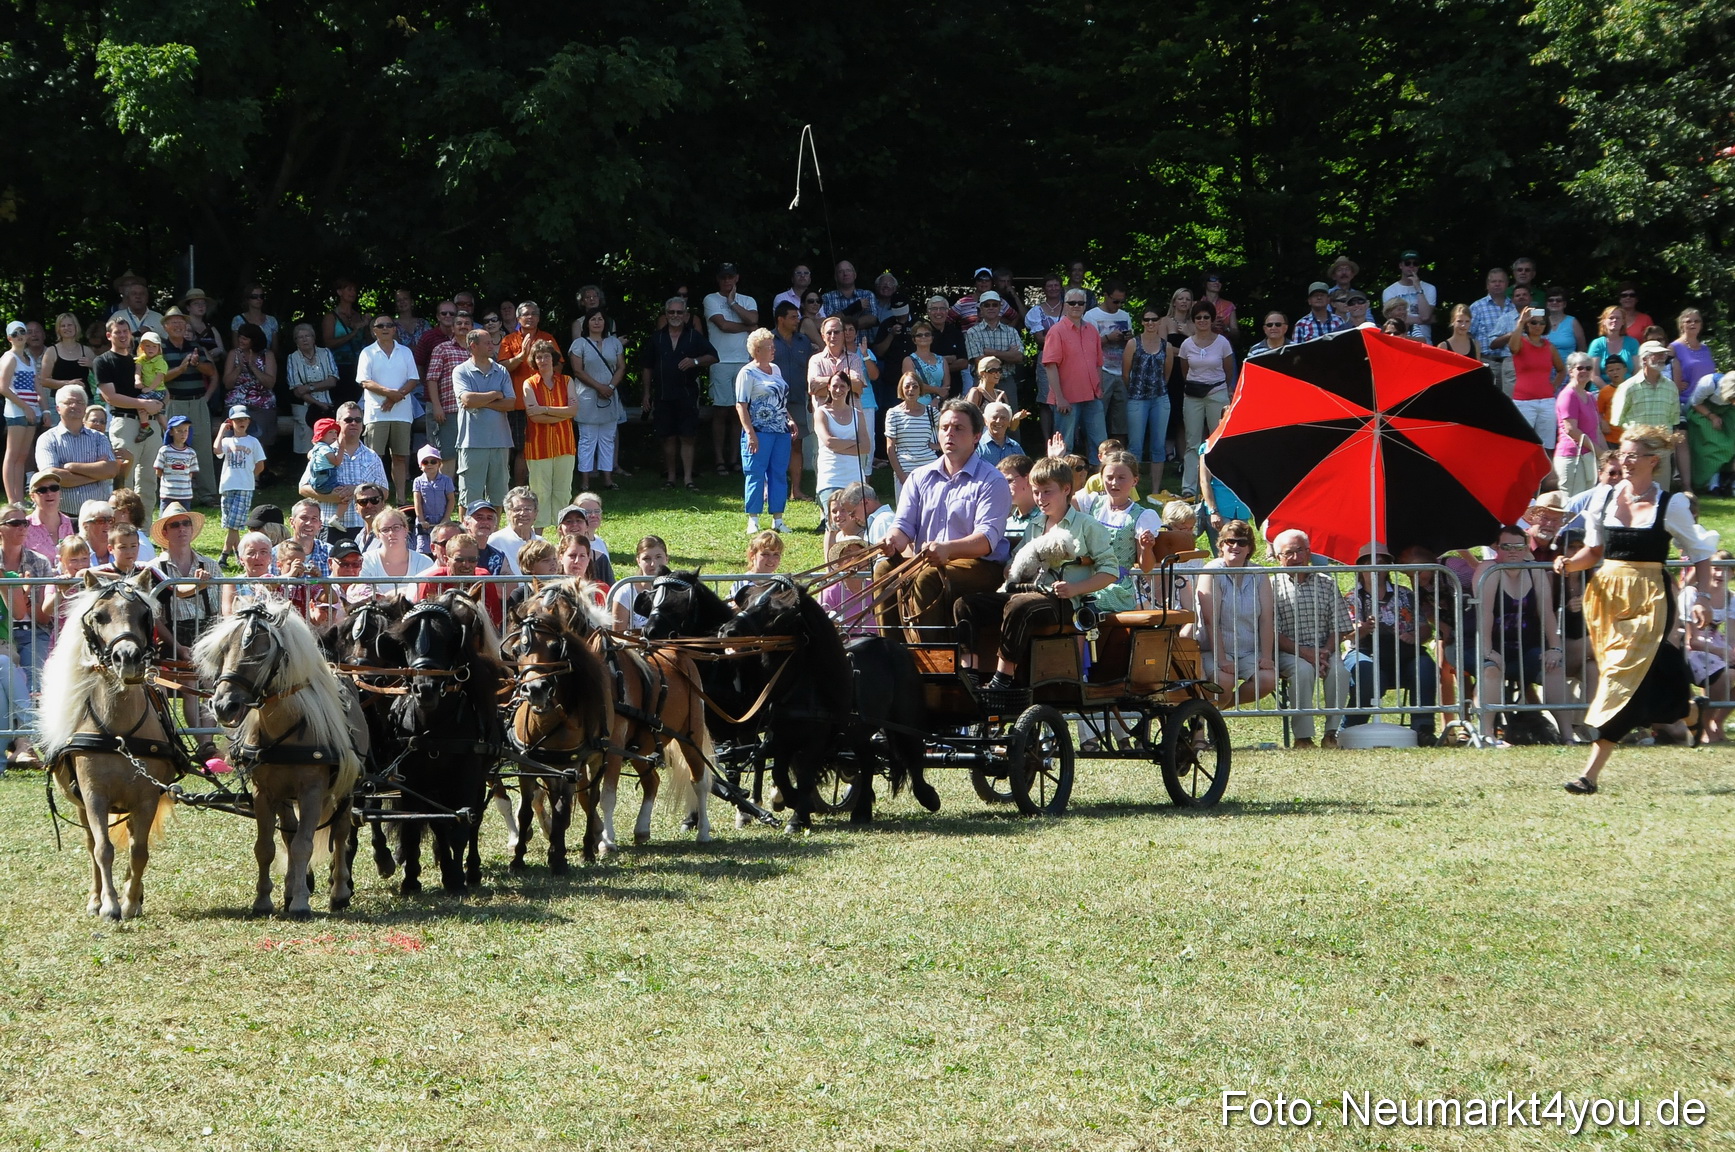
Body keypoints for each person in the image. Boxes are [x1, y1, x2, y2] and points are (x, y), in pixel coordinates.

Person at [1553, 426, 1718, 793]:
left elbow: (1701, 553)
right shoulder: (1605, 499)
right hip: (1607, 596)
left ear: (1652, 461)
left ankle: (1589, 775)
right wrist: (1568, 563)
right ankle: (1689, 712)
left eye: (1632, 456)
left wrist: (1703, 598)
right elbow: (1594, 553)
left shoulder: (1670, 504)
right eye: (1621, 454)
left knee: (1619, 679)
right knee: (1644, 679)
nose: (1624, 462)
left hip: (1650, 597)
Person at [954, 455, 1115, 690]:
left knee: (1018, 606)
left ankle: (1003, 678)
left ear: (1066, 489)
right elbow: (1016, 559)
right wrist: (1011, 567)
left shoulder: (1087, 525)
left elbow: (1110, 570)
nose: (1040, 499)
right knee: (965, 604)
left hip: (1064, 602)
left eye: (1047, 492)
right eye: (1036, 492)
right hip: (1028, 591)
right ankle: (970, 675)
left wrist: (1075, 589)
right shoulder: (1035, 525)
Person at [874, 399, 1012, 639]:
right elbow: (903, 526)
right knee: (885, 568)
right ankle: (891, 654)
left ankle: (934, 658)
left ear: (976, 436)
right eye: (944, 427)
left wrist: (948, 549)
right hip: (929, 560)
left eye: (959, 428)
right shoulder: (919, 477)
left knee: (929, 575)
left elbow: (986, 540)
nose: (950, 433)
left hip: (981, 566)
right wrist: (891, 542)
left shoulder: (992, 480)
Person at [1478, 524, 1575, 744]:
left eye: (1518, 546)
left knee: (1554, 668)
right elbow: (1484, 615)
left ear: (1525, 548)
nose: (1513, 551)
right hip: (1492, 645)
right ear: (1497, 548)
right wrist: (1488, 651)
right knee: (1491, 671)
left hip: (1527, 647)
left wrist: (1555, 648)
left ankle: (1568, 735)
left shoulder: (1535, 571)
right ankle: (1487, 735)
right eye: (1507, 546)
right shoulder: (1488, 571)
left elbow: (1547, 613)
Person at [1342, 543, 1440, 745]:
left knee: (1425, 666)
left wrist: (1415, 636)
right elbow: (1344, 635)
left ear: (1388, 567)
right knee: (1368, 674)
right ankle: (1350, 729)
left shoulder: (1405, 595)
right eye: (1369, 563)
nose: (1375, 568)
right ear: (1360, 568)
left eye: (1381, 563)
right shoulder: (1351, 598)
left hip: (1403, 654)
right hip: (1363, 652)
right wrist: (1362, 630)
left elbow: (1425, 628)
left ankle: (1423, 728)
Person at [1271, 529, 1350, 749]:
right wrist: (1306, 653)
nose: (1295, 558)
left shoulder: (1327, 583)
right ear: (1278, 558)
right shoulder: (1271, 586)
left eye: (1300, 551)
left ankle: (1331, 733)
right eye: (1288, 553)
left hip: (1325, 650)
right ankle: (1303, 738)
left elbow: (1340, 626)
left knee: (1340, 672)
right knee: (1303, 671)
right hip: (1288, 652)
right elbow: (1273, 633)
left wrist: (1324, 652)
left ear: (1309, 552)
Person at [1195, 519, 1277, 707]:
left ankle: (1217, 711)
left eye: (1242, 542)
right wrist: (1222, 659)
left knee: (1267, 680)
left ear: (1249, 548)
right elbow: (1210, 620)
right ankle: (1212, 718)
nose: (1235, 546)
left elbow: (1266, 619)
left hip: (1249, 651)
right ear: (1221, 545)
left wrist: (1266, 656)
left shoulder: (1259, 573)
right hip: (1214, 649)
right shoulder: (1211, 571)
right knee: (1224, 682)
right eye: (1229, 541)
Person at [643, 295, 716, 491]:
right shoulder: (657, 338)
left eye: (679, 312)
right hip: (663, 395)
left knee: (687, 436)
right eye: (671, 312)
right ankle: (671, 478)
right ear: (666, 315)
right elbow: (647, 367)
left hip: (687, 394)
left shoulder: (694, 336)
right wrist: (646, 394)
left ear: (685, 315)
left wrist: (695, 361)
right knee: (667, 437)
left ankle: (688, 479)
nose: (675, 315)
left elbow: (713, 356)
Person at [1077, 450, 1160, 614]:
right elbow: (1059, 502)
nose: (1114, 483)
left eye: (1121, 478)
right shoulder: (1091, 502)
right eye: (1109, 477)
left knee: (1086, 604)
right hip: (1084, 576)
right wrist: (1055, 459)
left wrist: (1146, 548)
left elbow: (1146, 567)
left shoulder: (1141, 516)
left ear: (1134, 481)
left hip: (1115, 585)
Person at [734, 327, 795, 534]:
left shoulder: (775, 369)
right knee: (755, 473)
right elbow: (741, 404)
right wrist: (750, 433)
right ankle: (753, 519)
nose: (773, 350)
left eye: (773, 346)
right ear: (757, 350)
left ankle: (778, 519)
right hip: (759, 430)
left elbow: (779, 399)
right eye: (769, 347)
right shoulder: (747, 373)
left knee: (778, 473)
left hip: (780, 431)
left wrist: (790, 419)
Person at [356, 314, 420, 504]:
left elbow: (413, 379)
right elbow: (364, 381)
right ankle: (372, 499)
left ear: (394, 329)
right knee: (374, 459)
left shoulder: (405, 352)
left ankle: (400, 498)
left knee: (400, 457)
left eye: (389, 325)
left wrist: (393, 398)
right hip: (376, 413)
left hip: (402, 413)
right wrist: (390, 394)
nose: (385, 328)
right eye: (380, 325)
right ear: (373, 330)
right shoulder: (367, 352)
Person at [298, 401, 388, 535]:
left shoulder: (372, 456)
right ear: (338, 423)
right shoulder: (323, 452)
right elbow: (303, 488)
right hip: (328, 526)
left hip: (364, 526)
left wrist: (357, 491)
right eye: (348, 419)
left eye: (358, 420)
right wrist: (333, 496)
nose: (354, 423)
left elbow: (385, 493)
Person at [451, 327, 515, 511]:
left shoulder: (501, 370)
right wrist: (496, 394)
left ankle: (493, 536)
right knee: (469, 496)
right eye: (487, 342)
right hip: (472, 442)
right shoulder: (461, 371)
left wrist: (481, 401)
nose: (492, 345)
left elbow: (510, 404)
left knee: (498, 495)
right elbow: (467, 400)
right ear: (473, 346)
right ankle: (467, 537)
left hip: (500, 441)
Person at [1177, 303, 1236, 500]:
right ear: (1193, 321)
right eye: (1198, 318)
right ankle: (1189, 487)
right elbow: (1185, 371)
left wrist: (1223, 389)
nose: (1202, 321)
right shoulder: (1186, 345)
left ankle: (1222, 484)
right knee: (1192, 442)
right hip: (1193, 395)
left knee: (1217, 440)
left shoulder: (1222, 343)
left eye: (1206, 317)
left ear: (1212, 320)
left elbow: (1229, 370)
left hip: (1217, 392)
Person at [704, 265, 759, 477]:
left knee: (740, 412)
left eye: (730, 277)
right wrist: (746, 327)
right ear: (718, 279)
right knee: (720, 410)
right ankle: (719, 460)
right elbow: (723, 325)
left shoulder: (747, 300)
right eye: (723, 277)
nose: (727, 281)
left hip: (744, 361)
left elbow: (753, 319)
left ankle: (735, 458)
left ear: (737, 278)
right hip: (720, 361)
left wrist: (733, 303)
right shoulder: (711, 299)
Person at [495, 301, 557, 487]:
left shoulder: (548, 339)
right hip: (518, 404)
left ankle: (541, 486)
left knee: (542, 446)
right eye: (526, 314)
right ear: (518, 318)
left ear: (538, 318)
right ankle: (518, 488)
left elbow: (559, 365)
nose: (530, 317)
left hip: (544, 402)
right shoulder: (509, 340)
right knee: (519, 449)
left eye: (534, 314)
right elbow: (502, 368)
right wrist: (521, 356)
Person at [1611, 341, 1687, 492]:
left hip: (1662, 452)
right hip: (1636, 454)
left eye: (1663, 354)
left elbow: (1673, 420)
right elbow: (1617, 421)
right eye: (1656, 354)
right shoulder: (1628, 387)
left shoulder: (1671, 386)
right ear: (1644, 359)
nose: (1661, 358)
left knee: (1661, 495)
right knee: (1634, 493)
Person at [1042, 289, 1106, 466]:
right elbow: (1050, 366)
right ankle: (1061, 486)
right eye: (1072, 303)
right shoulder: (1056, 331)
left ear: (1086, 305)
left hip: (1092, 396)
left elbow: (1098, 363)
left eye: (1081, 303)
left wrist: (1099, 389)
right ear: (1065, 305)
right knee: (1064, 447)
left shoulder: (1092, 331)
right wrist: (1060, 398)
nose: (1077, 306)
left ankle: (1101, 484)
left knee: (1101, 446)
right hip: (1067, 399)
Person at [36, 384, 118, 519]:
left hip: (98, 518)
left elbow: (110, 471)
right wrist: (97, 474)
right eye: (69, 402)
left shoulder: (99, 437)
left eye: (80, 402)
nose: (75, 405)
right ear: (58, 408)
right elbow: (51, 476)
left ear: (85, 407)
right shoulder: (47, 439)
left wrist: (71, 467)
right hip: (62, 517)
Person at [517, 342, 575, 523]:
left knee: (563, 491)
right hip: (538, 446)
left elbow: (573, 411)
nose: (543, 360)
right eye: (539, 357)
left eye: (547, 356)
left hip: (565, 444)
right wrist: (561, 413)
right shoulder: (529, 383)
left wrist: (545, 409)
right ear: (534, 360)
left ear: (554, 358)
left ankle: (564, 534)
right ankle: (538, 534)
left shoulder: (567, 381)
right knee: (539, 492)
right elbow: (535, 417)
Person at [812, 368, 870, 550]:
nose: (838, 390)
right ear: (828, 388)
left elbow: (866, 447)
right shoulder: (821, 412)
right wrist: (854, 444)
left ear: (848, 388)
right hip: (831, 476)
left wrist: (841, 446)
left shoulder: (857, 414)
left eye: (842, 386)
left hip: (854, 476)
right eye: (835, 386)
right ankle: (830, 569)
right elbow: (828, 442)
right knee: (833, 524)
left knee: (856, 522)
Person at [569, 313, 625, 492]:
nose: (597, 322)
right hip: (587, 396)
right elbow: (578, 371)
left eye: (600, 319)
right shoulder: (579, 344)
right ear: (587, 323)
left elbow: (621, 367)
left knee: (608, 438)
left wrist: (610, 387)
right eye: (593, 319)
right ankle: (585, 481)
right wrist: (599, 387)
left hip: (610, 395)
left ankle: (607, 479)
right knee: (587, 439)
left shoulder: (614, 343)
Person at [771, 301, 817, 501]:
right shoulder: (767, 340)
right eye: (793, 317)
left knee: (796, 444)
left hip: (798, 399)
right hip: (772, 403)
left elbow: (809, 371)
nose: (797, 320)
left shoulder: (803, 341)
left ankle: (796, 490)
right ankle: (771, 489)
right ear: (780, 319)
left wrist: (810, 396)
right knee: (772, 445)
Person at [1506, 308, 1567, 447]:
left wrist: (1554, 386)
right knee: (1522, 443)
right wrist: (1520, 323)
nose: (1538, 326)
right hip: (1523, 401)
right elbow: (1512, 348)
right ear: (1528, 324)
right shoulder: (1520, 342)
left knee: (1547, 446)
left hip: (1547, 401)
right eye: (1533, 322)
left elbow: (1561, 370)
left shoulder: (1549, 346)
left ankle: (1546, 469)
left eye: (1541, 323)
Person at [213, 407, 266, 567]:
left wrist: (248, 476)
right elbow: (216, 450)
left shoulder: (253, 441)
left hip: (245, 487)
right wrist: (222, 430)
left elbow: (260, 465)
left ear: (249, 421)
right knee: (231, 525)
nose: (241, 422)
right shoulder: (227, 441)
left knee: (234, 524)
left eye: (244, 419)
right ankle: (238, 556)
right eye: (237, 420)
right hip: (228, 485)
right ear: (231, 422)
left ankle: (223, 556)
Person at [284, 321, 341, 458]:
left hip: (329, 401)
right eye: (300, 337)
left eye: (307, 336)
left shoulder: (325, 353)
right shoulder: (293, 358)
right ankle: (310, 466)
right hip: (305, 404)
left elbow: (333, 380)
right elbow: (297, 390)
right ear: (296, 341)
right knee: (307, 429)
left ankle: (331, 464)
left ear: (314, 338)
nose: (304, 339)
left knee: (330, 431)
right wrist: (319, 404)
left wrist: (309, 387)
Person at [1083, 281, 1133, 438]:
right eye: (1115, 301)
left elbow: (1130, 343)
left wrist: (1129, 339)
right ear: (1105, 296)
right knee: (1098, 415)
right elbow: (1086, 345)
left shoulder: (1125, 316)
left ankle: (1119, 453)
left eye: (1121, 301)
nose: (1118, 305)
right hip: (1101, 371)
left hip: (1122, 370)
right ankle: (1096, 452)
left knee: (1121, 418)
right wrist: (1107, 338)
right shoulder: (1091, 315)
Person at [0, 320, 42, 505]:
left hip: (31, 410)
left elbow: (36, 385)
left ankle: (20, 498)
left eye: (22, 332)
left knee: (23, 456)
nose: (20, 336)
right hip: (16, 411)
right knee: (12, 454)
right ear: (10, 338)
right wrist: (25, 407)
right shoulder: (9, 358)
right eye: (15, 333)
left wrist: (44, 409)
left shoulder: (29, 359)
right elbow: (3, 387)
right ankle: (12, 499)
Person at [423, 311, 471, 471]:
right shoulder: (442, 349)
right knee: (448, 454)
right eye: (459, 323)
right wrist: (437, 406)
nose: (463, 326)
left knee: (471, 453)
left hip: (475, 412)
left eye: (467, 323)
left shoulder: (478, 351)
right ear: (453, 328)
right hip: (450, 410)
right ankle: (445, 493)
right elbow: (431, 379)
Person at [357, 505, 434, 601]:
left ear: (406, 530)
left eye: (396, 527)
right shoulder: (366, 560)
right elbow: (362, 594)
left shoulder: (424, 562)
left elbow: (428, 594)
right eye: (385, 530)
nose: (391, 533)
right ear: (377, 535)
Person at [1554, 353, 1606, 495]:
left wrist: (1607, 455)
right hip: (1572, 457)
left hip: (1589, 457)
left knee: (1588, 504)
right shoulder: (1568, 395)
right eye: (1580, 367)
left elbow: (1597, 430)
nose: (1584, 371)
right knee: (1573, 507)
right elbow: (1572, 430)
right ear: (1571, 371)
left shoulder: (1589, 396)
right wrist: (1599, 452)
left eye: (1588, 368)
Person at [964, 292, 1025, 411]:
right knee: (978, 421)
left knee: (1010, 422)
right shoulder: (972, 332)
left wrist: (991, 352)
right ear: (981, 309)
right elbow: (979, 361)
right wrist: (1008, 354)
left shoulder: (1011, 331)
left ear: (1000, 308)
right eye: (987, 305)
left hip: (1006, 382)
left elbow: (1019, 357)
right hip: (982, 384)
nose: (991, 307)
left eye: (994, 305)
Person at [886, 372, 939, 503]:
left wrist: (938, 446)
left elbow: (951, 430)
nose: (911, 390)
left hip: (930, 469)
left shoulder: (931, 412)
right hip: (905, 470)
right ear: (901, 389)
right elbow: (890, 448)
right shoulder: (893, 413)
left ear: (920, 389)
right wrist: (901, 476)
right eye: (907, 386)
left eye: (915, 386)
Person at [1469, 268, 1519, 395]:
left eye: (1501, 281)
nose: (1497, 284)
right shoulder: (1477, 307)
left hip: (1512, 363)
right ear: (1487, 285)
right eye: (1493, 281)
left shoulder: (1515, 306)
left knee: (1511, 403)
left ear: (1507, 284)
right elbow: (1469, 336)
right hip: (1488, 362)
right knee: (1489, 401)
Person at [321, 277, 369, 405]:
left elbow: (367, 343)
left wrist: (368, 326)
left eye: (354, 289)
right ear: (339, 292)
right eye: (349, 289)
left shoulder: (359, 316)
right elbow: (328, 343)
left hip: (357, 368)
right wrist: (353, 333)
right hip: (337, 369)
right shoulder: (331, 317)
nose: (353, 292)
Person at [607, 534, 670, 632]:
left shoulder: (676, 590)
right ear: (638, 561)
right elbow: (617, 637)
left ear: (666, 558)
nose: (653, 564)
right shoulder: (626, 592)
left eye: (658, 557)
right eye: (646, 558)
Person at [818, 536, 877, 638]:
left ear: (867, 562)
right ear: (839, 563)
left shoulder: (877, 588)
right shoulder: (830, 592)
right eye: (848, 554)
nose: (854, 559)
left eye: (859, 554)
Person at [1687, 371, 1735, 494]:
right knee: (1716, 444)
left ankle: (1729, 481)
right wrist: (1712, 416)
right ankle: (1712, 483)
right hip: (1703, 410)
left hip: (1727, 411)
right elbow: (1695, 403)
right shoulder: (1708, 383)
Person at [219, 532, 279, 613]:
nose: (258, 557)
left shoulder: (280, 582)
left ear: (271, 557)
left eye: (263, 552)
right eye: (251, 553)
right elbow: (228, 615)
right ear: (241, 559)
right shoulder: (232, 583)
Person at [488, 487, 539, 574]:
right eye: (517, 509)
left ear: (536, 513)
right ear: (508, 513)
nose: (523, 513)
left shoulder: (542, 543)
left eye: (528, 509)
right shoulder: (495, 541)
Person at [154, 415, 199, 511]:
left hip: (185, 495)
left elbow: (191, 473)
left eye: (186, 430)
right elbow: (158, 471)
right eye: (179, 431)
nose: (183, 434)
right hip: (168, 494)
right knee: (165, 519)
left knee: (184, 518)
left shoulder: (191, 452)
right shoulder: (164, 451)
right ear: (171, 432)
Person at [1587, 305, 1639, 378]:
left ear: (1623, 322)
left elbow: (1637, 372)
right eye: (1611, 318)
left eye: (1618, 318)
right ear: (1604, 321)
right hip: (1601, 388)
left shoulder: (1632, 343)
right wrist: (1609, 389)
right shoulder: (1597, 344)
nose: (1614, 320)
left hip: (1628, 387)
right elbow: (1594, 375)